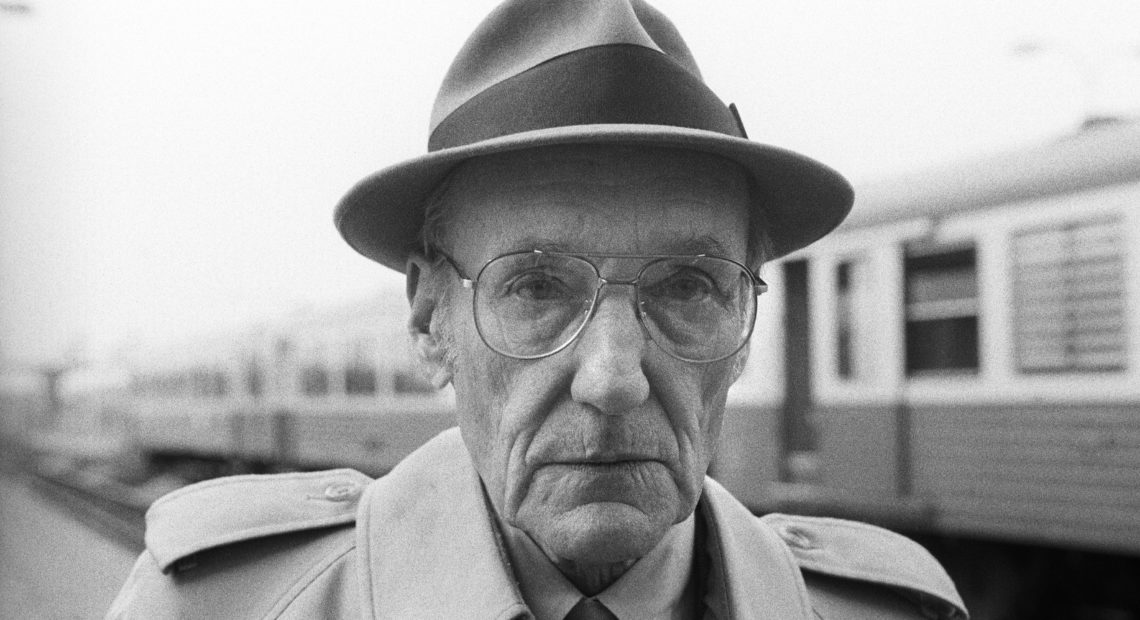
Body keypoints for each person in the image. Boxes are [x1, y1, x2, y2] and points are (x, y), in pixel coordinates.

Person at [109, 1, 968, 618]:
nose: (612, 379)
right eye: (536, 288)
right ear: (428, 321)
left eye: (688, 288)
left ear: (744, 331)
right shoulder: (214, 604)